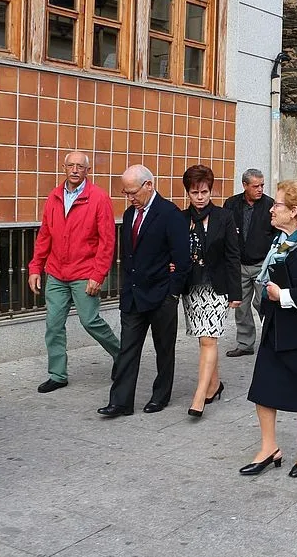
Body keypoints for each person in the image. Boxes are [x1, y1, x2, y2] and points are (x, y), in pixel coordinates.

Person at [240, 180, 297, 478]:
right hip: (277, 327)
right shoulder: (279, 242)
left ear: (294, 211)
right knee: (264, 389)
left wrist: (281, 296)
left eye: (277, 204)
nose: (271, 208)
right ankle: (269, 447)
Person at [98, 166, 190, 417]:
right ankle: (121, 402)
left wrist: (172, 294)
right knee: (127, 349)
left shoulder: (170, 214)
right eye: (125, 193)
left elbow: (181, 259)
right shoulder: (129, 215)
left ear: (149, 185)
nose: (129, 197)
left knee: (164, 349)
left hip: (161, 296)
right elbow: (129, 256)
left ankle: (160, 396)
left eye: (132, 192)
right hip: (134, 296)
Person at [28, 151, 119, 393]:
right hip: (57, 273)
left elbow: (107, 241)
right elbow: (44, 235)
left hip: (84, 273)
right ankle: (58, 374)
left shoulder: (99, 198)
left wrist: (98, 275)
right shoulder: (54, 197)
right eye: (71, 165)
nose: (75, 170)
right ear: (64, 168)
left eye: (80, 166)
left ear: (87, 170)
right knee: (53, 324)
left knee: (90, 321)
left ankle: (122, 356)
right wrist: (35, 267)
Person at [179, 165, 241, 417]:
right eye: (195, 192)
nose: (200, 197)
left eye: (204, 191)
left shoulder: (224, 217)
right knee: (203, 338)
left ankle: (199, 395)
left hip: (217, 287)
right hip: (192, 287)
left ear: (210, 190)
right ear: (188, 193)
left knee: (209, 339)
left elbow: (233, 255)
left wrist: (236, 292)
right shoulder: (182, 219)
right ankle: (215, 385)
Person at [223, 169, 276, 358]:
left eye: (262, 185)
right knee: (241, 306)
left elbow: (277, 234)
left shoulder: (270, 205)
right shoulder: (231, 204)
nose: (260, 189)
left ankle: (272, 339)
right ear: (245, 185)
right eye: (256, 186)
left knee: (263, 303)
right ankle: (245, 344)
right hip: (239, 264)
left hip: (262, 264)